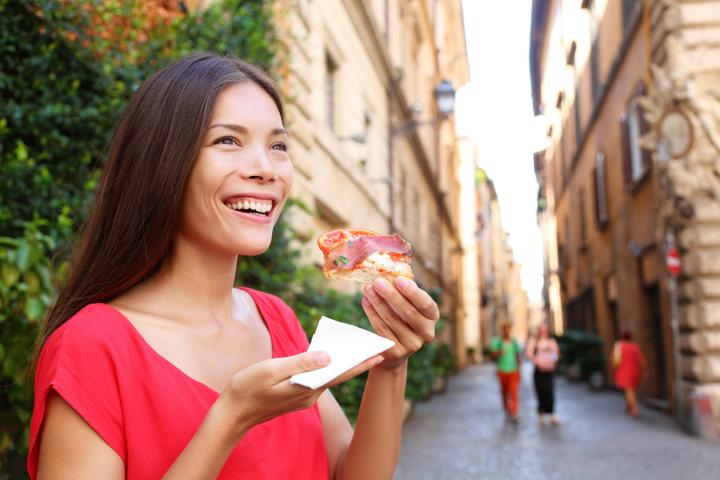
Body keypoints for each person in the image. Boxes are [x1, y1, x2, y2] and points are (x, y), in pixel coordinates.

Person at [27, 53, 440, 479]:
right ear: (162, 161)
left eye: (278, 145)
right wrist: (231, 418)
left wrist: (391, 366)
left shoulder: (274, 318)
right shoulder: (91, 345)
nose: (265, 169)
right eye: (228, 141)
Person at [525, 323, 561, 426]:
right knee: (540, 391)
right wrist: (537, 362)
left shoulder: (551, 341)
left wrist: (553, 362)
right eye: (541, 329)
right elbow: (530, 354)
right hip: (539, 371)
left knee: (550, 391)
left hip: (549, 370)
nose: (543, 331)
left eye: (545, 329)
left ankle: (552, 414)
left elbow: (556, 353)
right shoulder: (534, 341)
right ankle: (541, 414)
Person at [489, 321, 522, 422]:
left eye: (508, 328)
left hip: (513, 370)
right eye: (505, 328)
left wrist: (519, 371)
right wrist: (499, 352)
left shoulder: (514, 342)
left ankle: (514, 411)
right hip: (502, 370)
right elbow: (492, 355)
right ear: (502, 330)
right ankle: (507, 408)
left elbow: (517, 356)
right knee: (504, 392)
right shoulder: (497, 342)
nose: (507, 330)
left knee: (513, 392)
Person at [612, 330, 646, 417]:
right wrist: (645, 369)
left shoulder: (619, 346)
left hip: (623, 371)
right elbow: (641, 359)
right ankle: (628, 406)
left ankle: (635, 409)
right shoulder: (635, 346)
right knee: (631, 389)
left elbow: (613, 358)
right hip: (635, 371)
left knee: (629, 390)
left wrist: (613, 368)